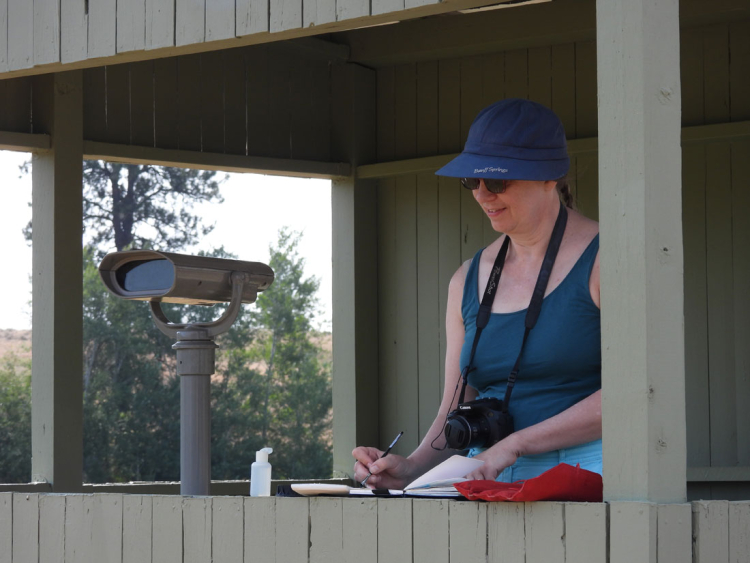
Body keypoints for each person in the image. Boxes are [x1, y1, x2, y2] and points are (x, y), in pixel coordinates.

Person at [352, 98, 602, 488]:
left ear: (550, 176)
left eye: (498, 182)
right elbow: (454, 406)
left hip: (588, 476)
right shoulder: (466, 279)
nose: (483, 194)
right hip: (486, 477)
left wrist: (514, 446)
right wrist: (410, 468)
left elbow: (634, 395)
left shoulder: (609, 259)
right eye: (472, 181)